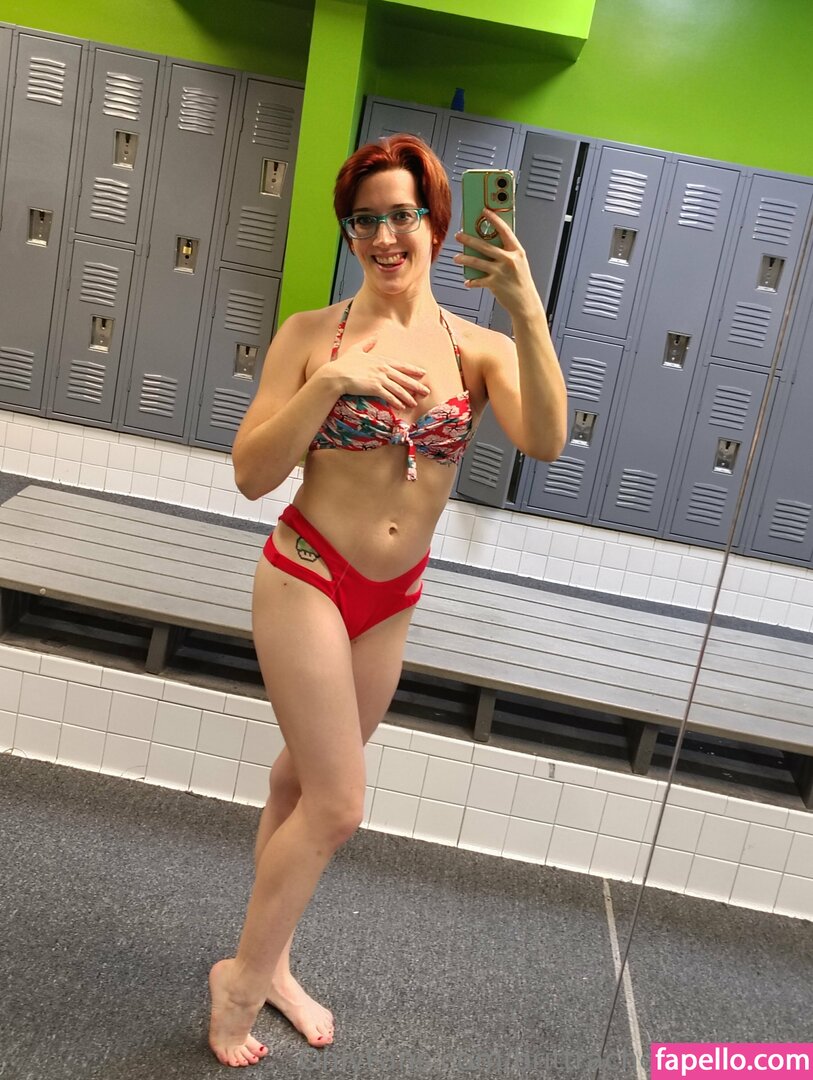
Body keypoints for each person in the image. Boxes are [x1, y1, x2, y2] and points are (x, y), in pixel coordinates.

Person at [207, 133, 567, 1067]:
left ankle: (273, 964)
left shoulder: (477, 348)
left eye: (401, 214)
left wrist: (526, 306)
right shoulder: (309, 336)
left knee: (298, 783)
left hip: (393, 598)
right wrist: (334, 383)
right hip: (307, 576)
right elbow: (251, 473)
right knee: (337, 804)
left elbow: (545, 439)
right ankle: (239, 981)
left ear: (435, 224)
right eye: (363, 220)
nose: (383, 236)